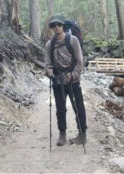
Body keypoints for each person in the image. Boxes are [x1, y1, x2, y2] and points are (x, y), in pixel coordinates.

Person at [44, 14, 87, 146]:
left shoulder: (72, 40)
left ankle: (82, 134)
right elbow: (47, 63)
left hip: (73, 82)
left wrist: (73, 74)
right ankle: (62, 134)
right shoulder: (49, 45)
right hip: (58, 81)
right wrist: (49, 71)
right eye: (53, 25)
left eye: (58, 25)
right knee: (60, 109)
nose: (56, 27)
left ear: (63, 26)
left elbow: (80, 61)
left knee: (78, 107)